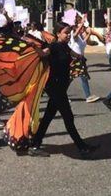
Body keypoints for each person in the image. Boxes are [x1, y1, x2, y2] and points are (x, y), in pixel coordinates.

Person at [29, 22, 98, 157]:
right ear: (58, 33)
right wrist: (33, 47)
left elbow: (74, 54)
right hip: (54, 87)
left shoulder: (65, 46)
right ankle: (82, 146)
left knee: (48, 116)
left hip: (60, 86)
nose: (68, 35)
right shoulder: (53, 46)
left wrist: (80, 57)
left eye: (69, 33)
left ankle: (35, 144)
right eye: (66, 32)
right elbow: (43, 54)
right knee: (68, 117)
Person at [70, 15, 103, 103]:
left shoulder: (81, 38)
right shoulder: (74, 37)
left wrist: (90, 33)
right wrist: (81, 23)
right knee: (74, 77)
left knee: (79, 77)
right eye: (81, 28)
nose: (82, 29)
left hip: (80, 59)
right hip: (74, 59)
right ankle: (88, 96)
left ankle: (88, 96)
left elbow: (85, 42)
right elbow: (75, 34)